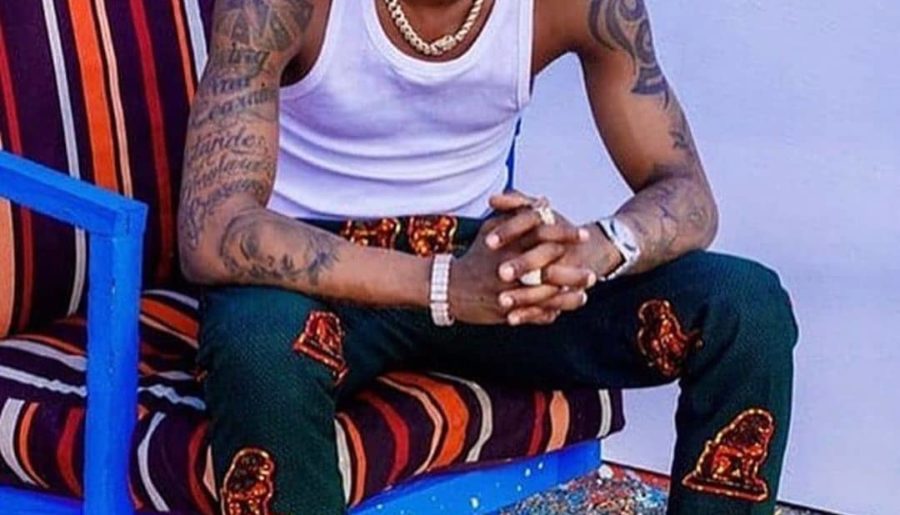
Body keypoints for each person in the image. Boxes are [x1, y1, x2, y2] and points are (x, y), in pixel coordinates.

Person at [177, 0, 798, 513]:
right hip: (315, 272)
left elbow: (687, 195)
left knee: (744, 305)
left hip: (482, 269)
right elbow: (213, 233)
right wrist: (443, 285)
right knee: (260, 348)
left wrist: (596, 249)